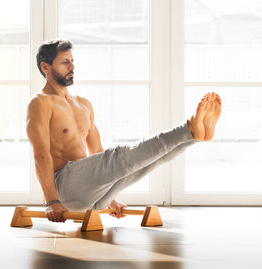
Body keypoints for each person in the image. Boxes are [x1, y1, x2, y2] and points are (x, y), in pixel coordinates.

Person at [26, 39, 222, 223]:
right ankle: (188, 128)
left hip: (93, 195)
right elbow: (41, 155)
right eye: (65, 62)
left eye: (73, 61)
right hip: (63, 189)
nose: (72, 67)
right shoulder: (40, 103)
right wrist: (52, 202)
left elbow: (98, 154)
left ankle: (195, 136)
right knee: (119, 157)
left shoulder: (83, 104)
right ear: (46, 67)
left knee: (146, 162)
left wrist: (109, 198)